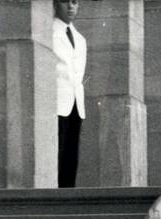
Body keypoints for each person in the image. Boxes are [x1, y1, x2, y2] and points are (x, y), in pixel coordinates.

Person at [54, 0, 86, 188]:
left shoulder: (80, 38)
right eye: (66, 2)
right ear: (56, 4)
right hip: (56, 101)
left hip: (75, 103)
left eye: (75, 2)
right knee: (57, 150)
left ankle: (67, 191)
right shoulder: (48, 32)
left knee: (71, 153)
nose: (71, 7)